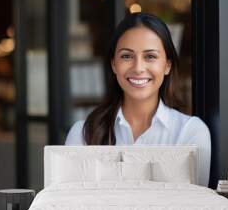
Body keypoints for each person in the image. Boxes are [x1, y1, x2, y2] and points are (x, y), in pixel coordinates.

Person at [65, 12, 211, 186]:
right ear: (113, 64)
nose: (138, 68)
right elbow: (71, 207)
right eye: (126, 56)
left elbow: (195, 207)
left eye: (150, 56)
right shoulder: (83, 134)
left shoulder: (190, 132)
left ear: (167, 65)